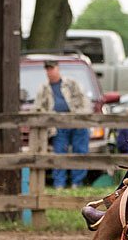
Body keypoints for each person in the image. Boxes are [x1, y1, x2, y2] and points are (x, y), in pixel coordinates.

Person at [35, 60, 92, 189]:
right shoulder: (44, 88)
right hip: (57, 125)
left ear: (57, 68)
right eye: (47, 69)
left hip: (76, 121)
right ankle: (59, 183)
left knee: (80, 151)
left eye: (52, 68)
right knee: (59, 153)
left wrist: (81, 117)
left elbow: (84, 102)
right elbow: (38, 108)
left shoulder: (71, 84)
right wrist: (49, 119)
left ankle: (77, 182)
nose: (50, 72)